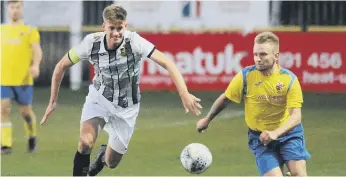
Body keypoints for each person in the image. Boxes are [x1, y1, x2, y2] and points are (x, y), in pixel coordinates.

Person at [40, 4, 202, 177]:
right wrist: (52, 101)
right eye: (112, 28)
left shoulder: (135, 42)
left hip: (127, 108)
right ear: (104, 27)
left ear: (125, 25)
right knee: (85, 143)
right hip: (99, 99)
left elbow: (167, 63)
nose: (116, 33)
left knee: (112, 162)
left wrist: (184, 93)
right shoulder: (91, 43)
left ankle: (103, 157)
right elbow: (60, 66)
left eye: (120, 28)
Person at [196, 32, 310, 176]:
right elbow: (225, 98)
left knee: (298, 173)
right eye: (255, 54)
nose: (258, 59)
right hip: (260, 139)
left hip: (289, 134)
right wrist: (207, 119)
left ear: (276, 56)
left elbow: (296, 116)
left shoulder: (289, 79)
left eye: (263, 54)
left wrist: (275, 133)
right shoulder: (245, 76)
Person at [1, 0, 43, 154]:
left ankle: (32, 136)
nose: (14, 10)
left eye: (17, 7)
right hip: (4, 79)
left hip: (23, 79)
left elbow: (37, 50)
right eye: (12, 7)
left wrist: (35, 65)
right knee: (3, 109)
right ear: (8, 9)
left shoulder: (29, 30)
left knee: (25, 113)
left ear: (22, 8)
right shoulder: (2, 30)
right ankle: (6, 145)